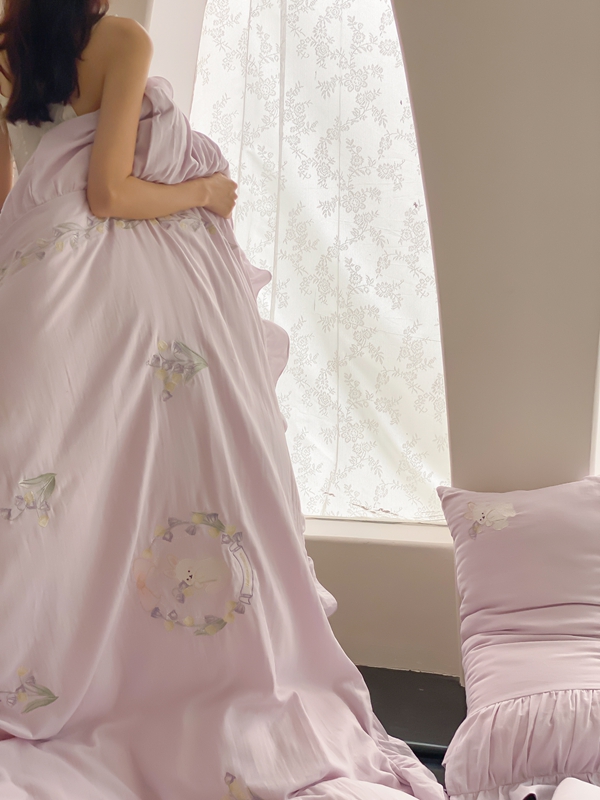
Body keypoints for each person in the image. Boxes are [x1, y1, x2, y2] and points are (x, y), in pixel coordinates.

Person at [0, 2, 446, 799]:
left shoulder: (5, 46)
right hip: (121, 300)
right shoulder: (120, 39)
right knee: (159, 486)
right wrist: (204, 190)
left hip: (34, 293)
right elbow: (108, 192)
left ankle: (40, 675)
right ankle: (156, 674)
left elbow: (10, 199)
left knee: (46, 503)